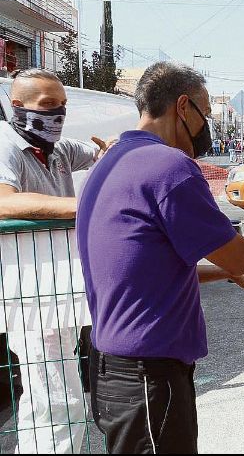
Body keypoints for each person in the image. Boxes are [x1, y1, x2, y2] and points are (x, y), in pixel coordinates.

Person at [76, 62, 244, 455]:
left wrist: (226, 273)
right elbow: (240, 256)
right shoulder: (167, 166)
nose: (206, 128)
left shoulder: (109, 164)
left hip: (115, 370)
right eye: (206, 115)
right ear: (182, 107)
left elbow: (148, 266)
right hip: (149, 373)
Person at [0, 69, 113, 454]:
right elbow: (3, 201)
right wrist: (83, 206)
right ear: (18, 106)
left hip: (57, 292)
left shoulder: (58, 149)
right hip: (30, 295)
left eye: (62, 106)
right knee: (57, 403)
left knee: (54, 401)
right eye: (48, 105)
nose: (57, 115)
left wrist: (110, 149)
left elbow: (98, 151)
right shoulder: (7, 145)